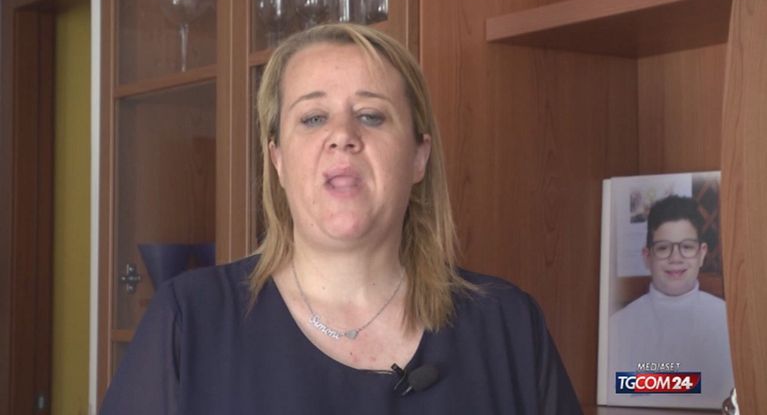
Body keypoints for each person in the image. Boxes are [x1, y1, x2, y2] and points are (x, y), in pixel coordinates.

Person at [100, 23, 581, 414]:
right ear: (278, 160)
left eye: (371, 115)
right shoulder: (189, 320)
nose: (342, 135)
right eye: (313, 118)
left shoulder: (509, 325)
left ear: (418, 157)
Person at [608, 195, 734, 408]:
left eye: (687, 246)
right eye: (663, 248)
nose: (675, 258)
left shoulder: (728, 321)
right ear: (647, 256)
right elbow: (618, 391)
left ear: (702, 254)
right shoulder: (618, 326)